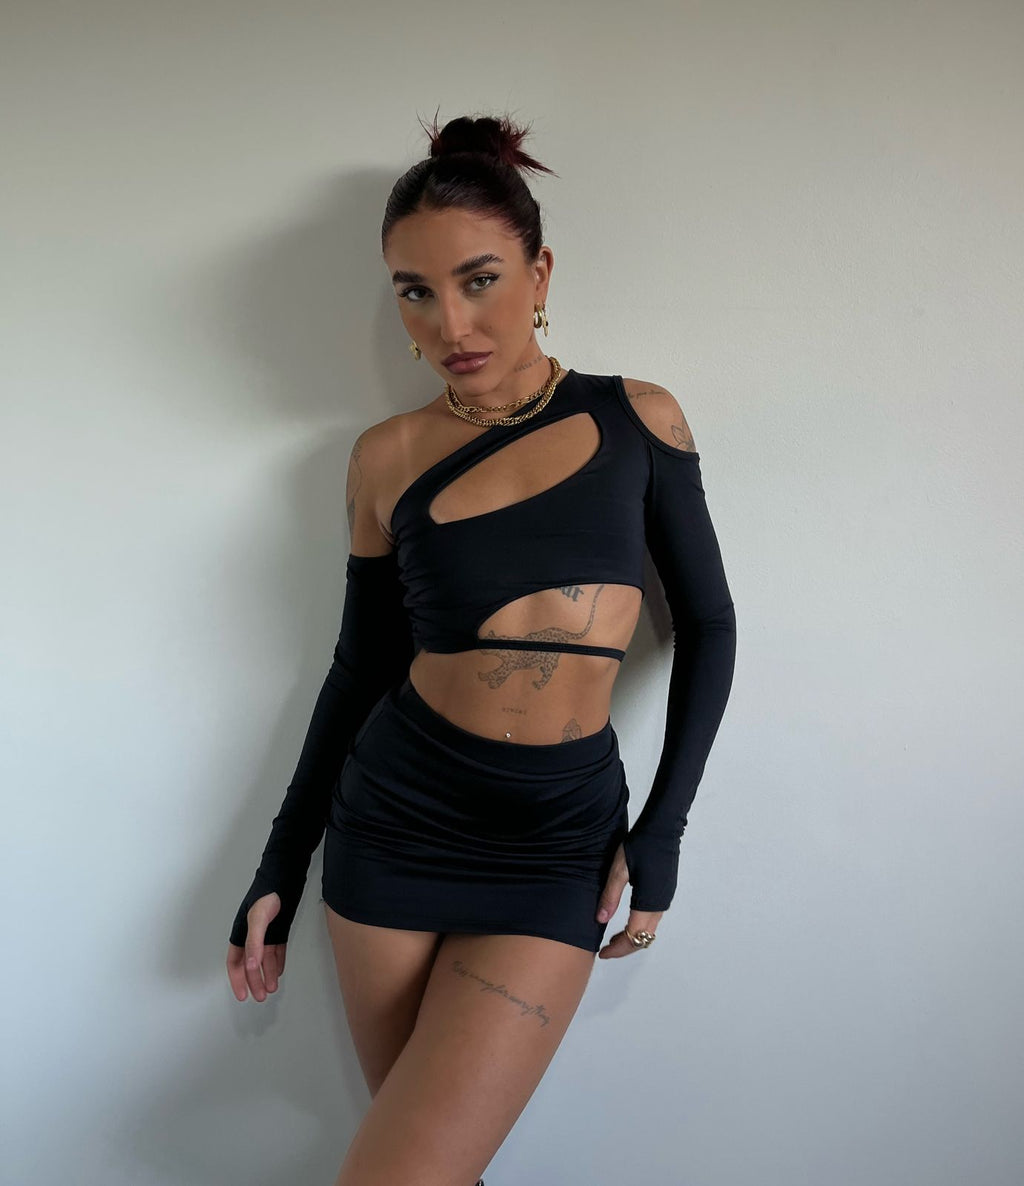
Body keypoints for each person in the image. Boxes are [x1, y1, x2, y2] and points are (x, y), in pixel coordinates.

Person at [226, 110, 737, 1186]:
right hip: (394, 826)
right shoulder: (384, 457)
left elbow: (708, 626)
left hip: (557, 845)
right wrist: (281, 859)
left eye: (479, 279)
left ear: (539, 273)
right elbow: (358, 668)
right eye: (414, 291)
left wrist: (664, 830)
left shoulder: (640, 421)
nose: (449, 321)